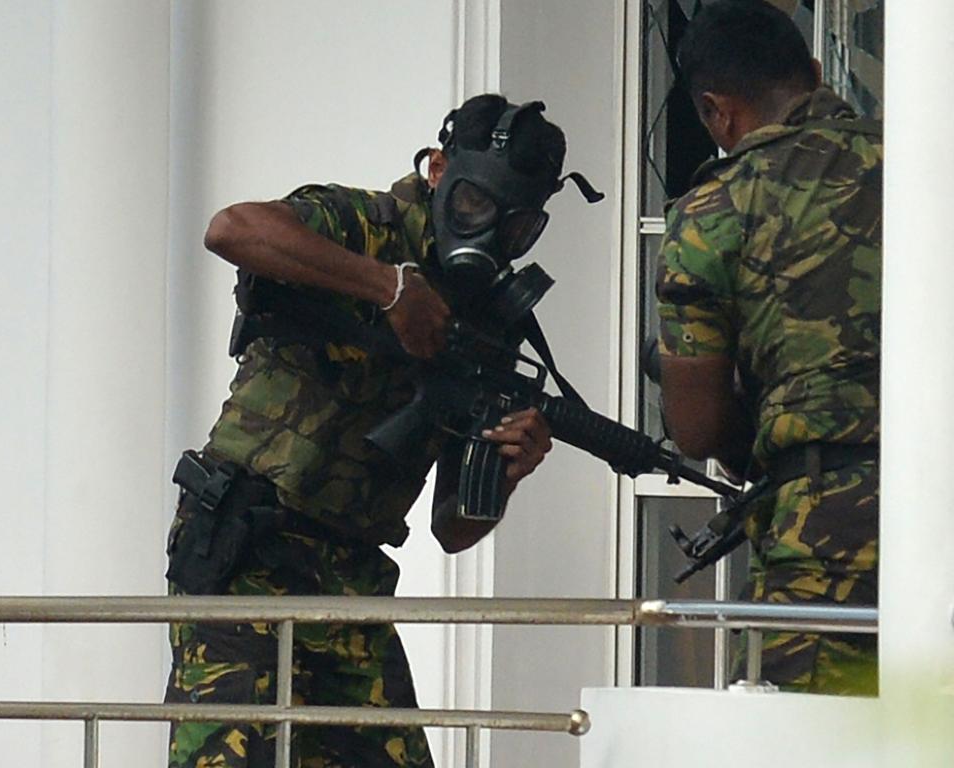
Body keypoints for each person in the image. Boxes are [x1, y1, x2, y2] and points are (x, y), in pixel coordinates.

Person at [163, 94, 591, 767]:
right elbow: (232, 229)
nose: (489, 234)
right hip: (245, 554)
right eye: (476, 205)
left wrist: (507, 472)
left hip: (350, 583)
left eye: (515, 228)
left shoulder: (486, 322)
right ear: (439, 170)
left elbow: (452, 529)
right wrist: (387, 287)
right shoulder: (362, 225)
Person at [656, 0, 881, 695]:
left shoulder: (709, 217)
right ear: (815, 73)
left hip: (824, 546)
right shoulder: (930, 164)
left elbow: (696, 429)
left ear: (717, 112)